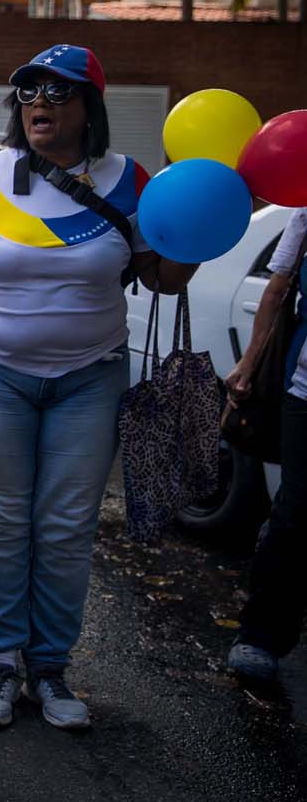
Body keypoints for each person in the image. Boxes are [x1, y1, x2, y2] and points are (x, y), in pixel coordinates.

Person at [0, 44, 194, 730]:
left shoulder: (132, 181)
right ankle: (1, 661)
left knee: (66, 527)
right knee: (4, 519)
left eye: (57, 93)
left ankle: (51, 668)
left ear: (89, 107)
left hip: (89, 379)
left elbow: (163, 278)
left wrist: (194, 228)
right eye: (29, 93)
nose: (39, 104)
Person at [223, 208, 307, 683]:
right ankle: (260, 636)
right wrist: (248, 365)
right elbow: (276, 291)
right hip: (305, 394)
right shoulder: (304, 213)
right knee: (295, 513)